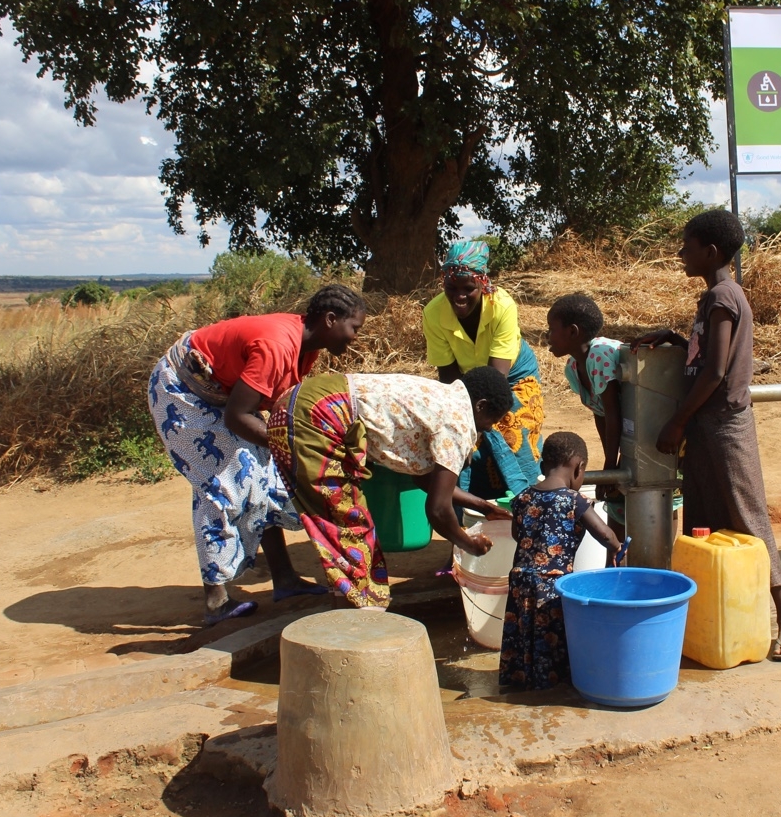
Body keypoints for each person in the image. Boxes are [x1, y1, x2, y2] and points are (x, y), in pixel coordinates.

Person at [635, 209, 781, 661]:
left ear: (710, 252)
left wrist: (677, 422)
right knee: (705, 520)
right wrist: (676, 339)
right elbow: (707, 356)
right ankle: (712, 616)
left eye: (687, 246)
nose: (680, 253)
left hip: (726, 424)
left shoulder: (723, 296)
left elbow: (715, 372)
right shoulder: (714, 296)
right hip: (705, 423)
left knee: (748, 515)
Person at [148, 284, 366, 626]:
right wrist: (291, 444)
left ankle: (285, 579)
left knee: (268, 474)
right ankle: (215, 600)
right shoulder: (277, 345)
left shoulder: (306, 348)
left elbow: (271, 404)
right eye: (354, 328)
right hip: (183, 392)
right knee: (224, 482)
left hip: (221, 394)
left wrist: (292, 443)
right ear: (329, 319)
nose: (355, 337)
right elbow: (237, 417)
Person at [267, 365, 514, 610]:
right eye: (492, 420)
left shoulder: (443, 398)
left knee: (344, 535)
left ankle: (352, 614)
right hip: (317, 417)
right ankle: (352, 623)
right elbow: (438, 510)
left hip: (297, 406)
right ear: (480, 406)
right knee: (351, 534)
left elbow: (423, 479)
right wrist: (469, 544)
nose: (489, 428)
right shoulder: (458, 421)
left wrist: (483, 507)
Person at [500, 432, 622, 691]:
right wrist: (616, 548)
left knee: (523, 631)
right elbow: (604, 533)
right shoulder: (574, 500)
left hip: (520, 579)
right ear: (579, 467)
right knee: (550, 637)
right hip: (552, 583)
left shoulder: (522, 497)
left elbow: (517, 534)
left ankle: (521, 683)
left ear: (543, 465)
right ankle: (550, 687)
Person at [423, 240, 545, 499]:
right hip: (468, 381)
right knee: (462, 440)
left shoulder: (502, 306)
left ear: (483, 283)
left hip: (513, 374)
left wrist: (478, 423)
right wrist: (464, 423)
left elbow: (497, 379)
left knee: (512, 427)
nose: (459, 296)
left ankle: (529, 497)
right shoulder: (433, 314)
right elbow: (449, 378)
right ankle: (477, 504)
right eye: (451, 288)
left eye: (468, 288)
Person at [545, 293, 624, 473]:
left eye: (551, 329)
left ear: (573, 332)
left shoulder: (599, 355)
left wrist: (610, 466)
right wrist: (610, 463)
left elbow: (613, 413)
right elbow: (601, 413)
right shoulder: (573, 367)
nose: (547, 336)